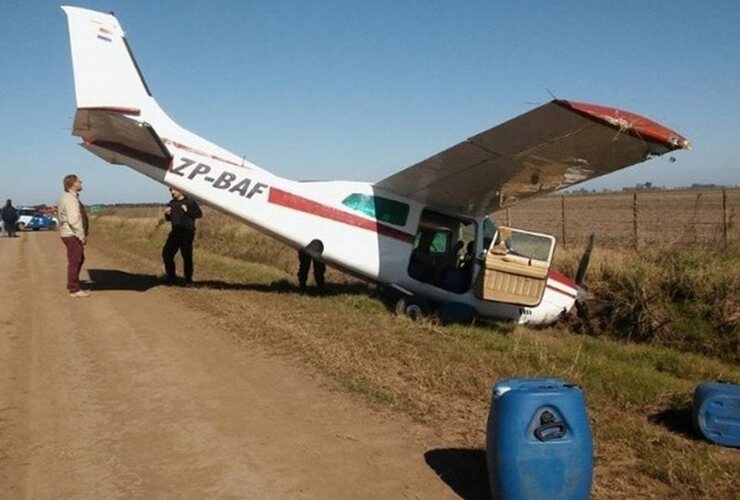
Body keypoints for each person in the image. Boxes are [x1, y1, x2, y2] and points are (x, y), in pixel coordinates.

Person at [58, 175, 90, 298]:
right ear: (72, 184)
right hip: (71, 234)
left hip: (68, 233)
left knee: (79, 259)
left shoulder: (65, 197)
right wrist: (81, 236)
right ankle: (74, 289)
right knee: (75, 260)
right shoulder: (70, 199)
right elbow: (74, 220)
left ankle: (73, 284)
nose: (81, 182)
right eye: (78, 181)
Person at [162, 187, 202, 285]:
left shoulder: (190, 202)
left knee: (186, 256)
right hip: (175, 232)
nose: (172, 192)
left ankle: (188, 279)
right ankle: (171, 277)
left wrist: (187, 211)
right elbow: (169, 219)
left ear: (181, 190)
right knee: (167, 254)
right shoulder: (172, 203)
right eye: (170, 190)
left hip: (187, 232)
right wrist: (167, 214)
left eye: (174, 190)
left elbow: (199, 214)